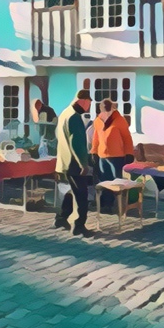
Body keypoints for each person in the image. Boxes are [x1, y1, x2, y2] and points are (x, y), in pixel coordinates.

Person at [54, 90, 95, 238]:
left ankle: (61, 218)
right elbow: (76, 144)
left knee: (71, 192)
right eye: (88, 104)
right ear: (82, 101)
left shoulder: (64, 113)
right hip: (74, 163)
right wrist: (83, 164)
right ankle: (79, 226)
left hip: (64, 160)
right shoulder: (75, 117)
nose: (88, 107)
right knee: (82, 195)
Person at [90, 99, 134, 214]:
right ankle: (107, 205)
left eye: (108, 108)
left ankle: (120, 205)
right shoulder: (98, 121)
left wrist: (129, 153)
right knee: (104, 181)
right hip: (102, 156)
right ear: (101, 109)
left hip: (117, 156)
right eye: (104, 108)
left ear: (112, 108)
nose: (106, 110)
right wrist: (94, 152)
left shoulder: (120, 120)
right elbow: (96, 138)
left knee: (117, 182)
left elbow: (127, 138)